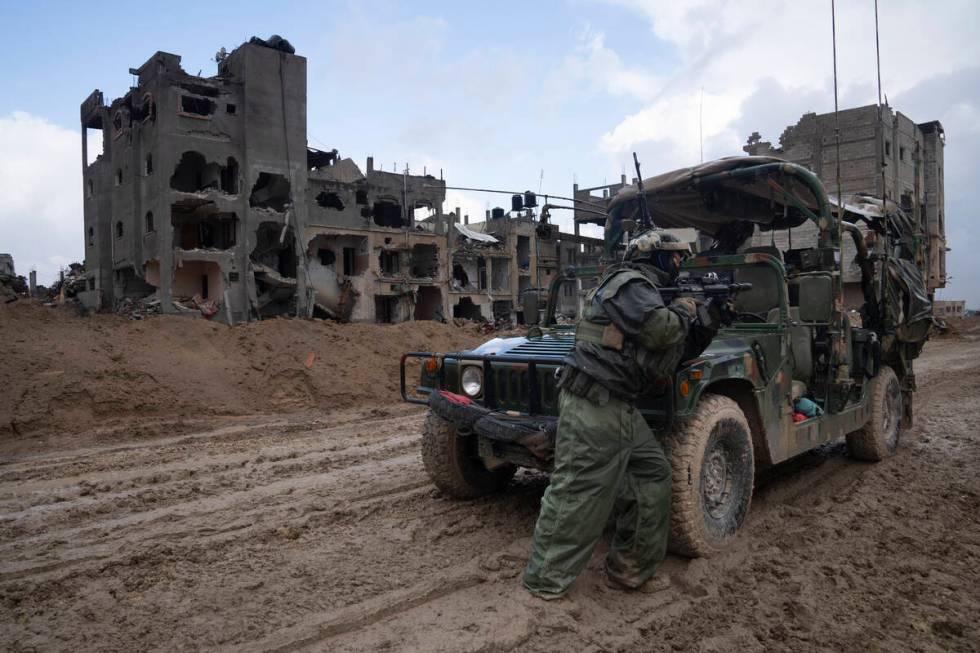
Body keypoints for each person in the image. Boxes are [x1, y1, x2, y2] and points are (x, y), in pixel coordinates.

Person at [522, 230, 721, 600]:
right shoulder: (628, 282)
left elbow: (670, 352)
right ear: (654, 256)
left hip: (618, 406)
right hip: (594, 403)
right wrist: (685, 308)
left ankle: (628, 570)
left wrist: (708, 319)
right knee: (577, 491)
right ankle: (543, 584)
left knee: (652, 474)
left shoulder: (647, 292)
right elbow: (661, 330)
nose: (680, 263)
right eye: (675, 256)